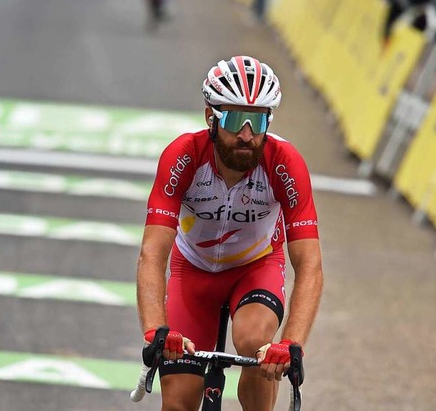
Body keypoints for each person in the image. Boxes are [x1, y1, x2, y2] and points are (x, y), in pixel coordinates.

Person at [136, 55, 324, 411]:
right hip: (191, 272)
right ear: (212, 117)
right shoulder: (184, 156)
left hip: (255, 270)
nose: (247, 134)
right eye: (236, 118)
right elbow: (152, 253)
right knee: (178, 404)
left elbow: (310, 266)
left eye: (258, 120)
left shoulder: (285, 162)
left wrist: (291, 344)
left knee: (257, 344)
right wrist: (155, 331)